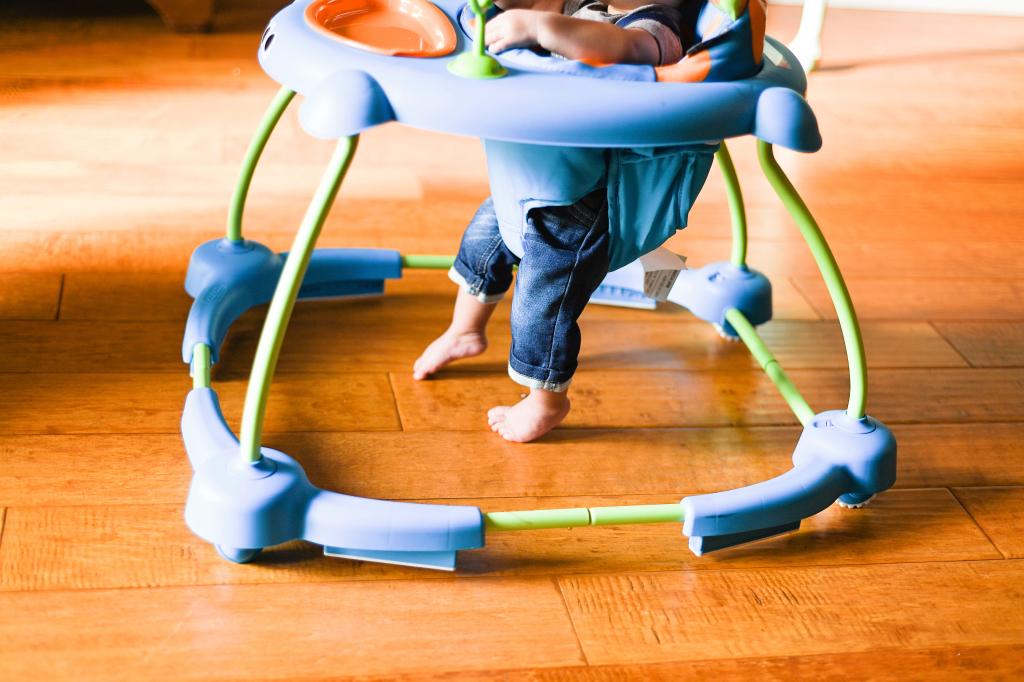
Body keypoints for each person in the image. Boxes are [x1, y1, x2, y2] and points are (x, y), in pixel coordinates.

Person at [413, 0, 694, 442]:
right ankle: (464, 330)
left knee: (541, 304)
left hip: (582, 195)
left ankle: (547, 400)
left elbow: (627, 48)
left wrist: (541, 27)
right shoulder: (579, 5)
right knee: (482, 242)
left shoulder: (654, 24)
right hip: (531, 171)